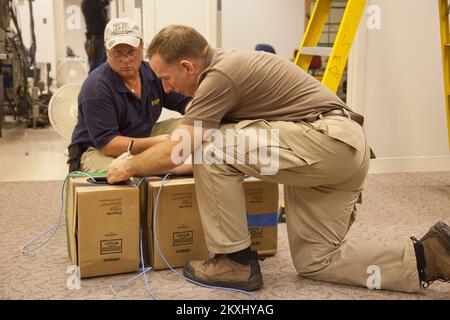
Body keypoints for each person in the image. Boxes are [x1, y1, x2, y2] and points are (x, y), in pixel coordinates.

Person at [106, 25, 450, 292]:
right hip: (335, 154)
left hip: (327, 142)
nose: (166, 89)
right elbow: (184, 157)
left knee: (206, 146)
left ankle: (235, 261)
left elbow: (184, 149)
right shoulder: (225, 70)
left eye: (167, 78)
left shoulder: (219, 76)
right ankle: (428, 257)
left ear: (187, 66)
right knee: (316, 261)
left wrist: (129, 165)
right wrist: (157, 164)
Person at [68, 19, 191, 173]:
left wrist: (208, 116)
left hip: (143, 137)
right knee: (120, 174)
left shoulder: (153, 73)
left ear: (141, 47)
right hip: (98, 150)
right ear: (106, 51)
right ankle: (164, 168)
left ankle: (177, 167)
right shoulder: (96, 87)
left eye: (131, 52)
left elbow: (185, 103)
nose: (125, 60)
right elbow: (108, 144)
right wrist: (156, 143)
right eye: (118, 53)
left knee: (190, 124)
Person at [81, 0, 109, 73]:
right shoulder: (90, 3)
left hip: (97, 40)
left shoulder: (93, 4)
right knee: (96, 70)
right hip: (96, 40)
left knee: (99, 68)